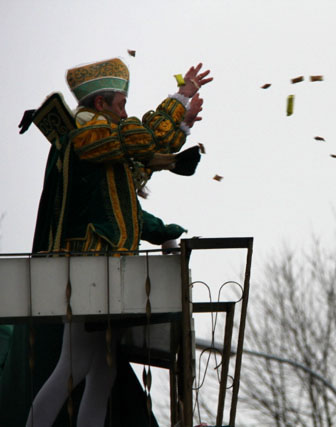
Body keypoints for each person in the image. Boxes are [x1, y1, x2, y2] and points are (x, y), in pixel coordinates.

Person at [1, 57, 212, 427]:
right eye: (121, 105)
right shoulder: (86, 133)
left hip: (98, 275)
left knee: (101, 373)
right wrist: (178, 100)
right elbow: (141, 142)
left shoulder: (95, 141)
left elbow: (133, 168)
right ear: (100, 104)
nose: (125, 112)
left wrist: (178, 125)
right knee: (77, 367)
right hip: (87, 273)